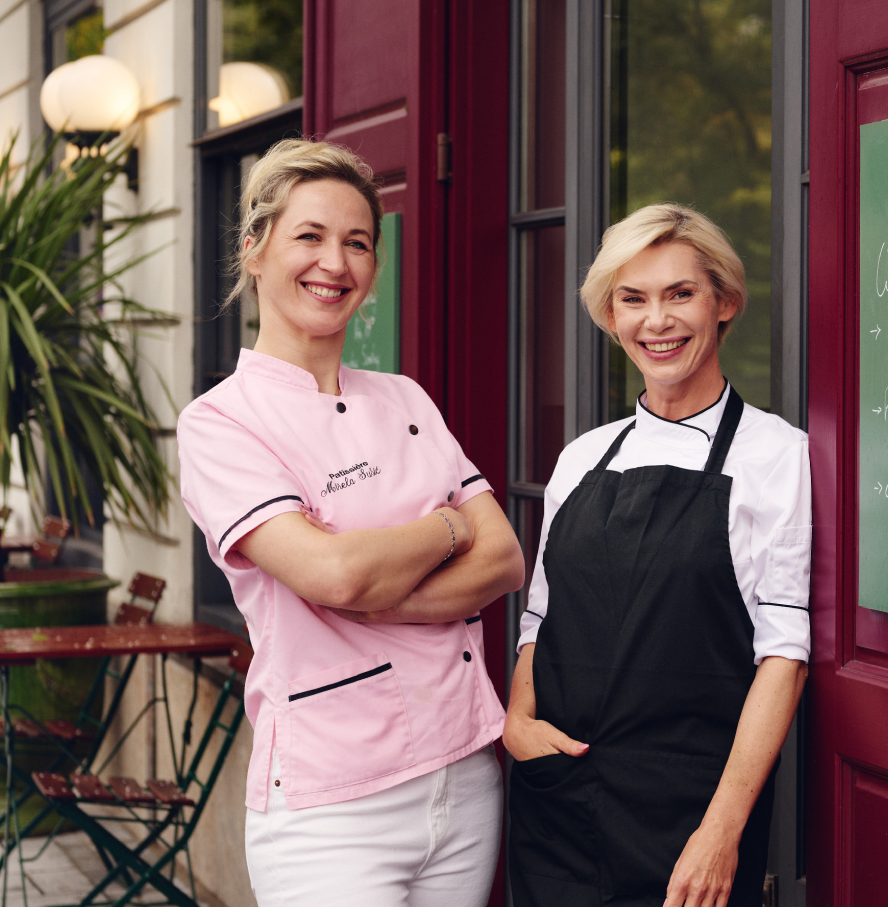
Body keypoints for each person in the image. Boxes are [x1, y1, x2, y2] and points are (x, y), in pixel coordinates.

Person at [176, 139, 525, 907]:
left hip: (466, 776)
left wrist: (370, 589)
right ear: (255, 250)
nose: (334, 262)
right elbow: (331, 573)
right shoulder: (221, 423)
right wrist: (444, 532)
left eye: (358, 242)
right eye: (309, 236)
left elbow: (504, 558)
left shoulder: (405, 398)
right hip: (334, 806)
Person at [504, 204, 812, 907]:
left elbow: (785, 657)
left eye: (681, 294)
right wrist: (518, 721)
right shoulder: (582, 458)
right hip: (559, 802)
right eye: (633, 299)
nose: (657, 321)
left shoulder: (776, 455)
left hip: (688, 818)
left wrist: (720, 833)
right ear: (610, 316)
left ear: (724, 302)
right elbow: (540, 616)